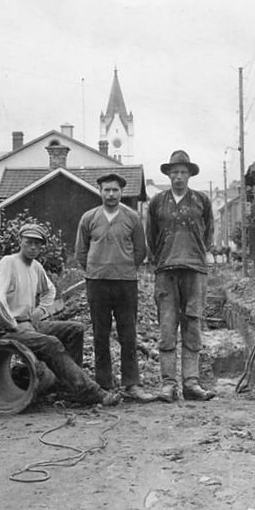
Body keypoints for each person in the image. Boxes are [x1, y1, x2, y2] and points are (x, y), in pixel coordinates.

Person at [0, 223, 120, 407]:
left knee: (74, 330)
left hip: (27, 323)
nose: (33, 247)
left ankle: (68, 386)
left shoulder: (35, 267)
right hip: (5, 327)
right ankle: (88, 391)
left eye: (38, 244)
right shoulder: (8, 262)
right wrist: (12, 324)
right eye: (29, 242)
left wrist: (41, 311)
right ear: (20, 241)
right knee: (51, 343)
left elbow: (49, 291)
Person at [75, 172, 156, 403]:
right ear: (99, 191)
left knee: (128, 334)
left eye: (115, 190)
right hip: (97, 283)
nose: (110, 194)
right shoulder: (89, 218)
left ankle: (131, 384)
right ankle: (104, 384)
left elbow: (141, 251)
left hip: (125, 283)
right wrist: (96, 268)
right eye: (106, 190)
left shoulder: (131, 218)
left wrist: (124, 268)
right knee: (100, 334)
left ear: (122, 192)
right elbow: (81, 251)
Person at [146, 150, 216, 402]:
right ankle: (168, 384)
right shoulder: (157, 203)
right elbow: (150, 236)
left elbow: (208, 234)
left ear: (189, 174)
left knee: (192, 324)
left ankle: (191, 383)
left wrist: (196, 253)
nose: (178, 177)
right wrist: (163, 257)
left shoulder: (201, 201)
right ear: (168, 174)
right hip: (166, 270)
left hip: (195, 270)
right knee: (167, 327)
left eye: (182, 172)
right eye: (174, 172)